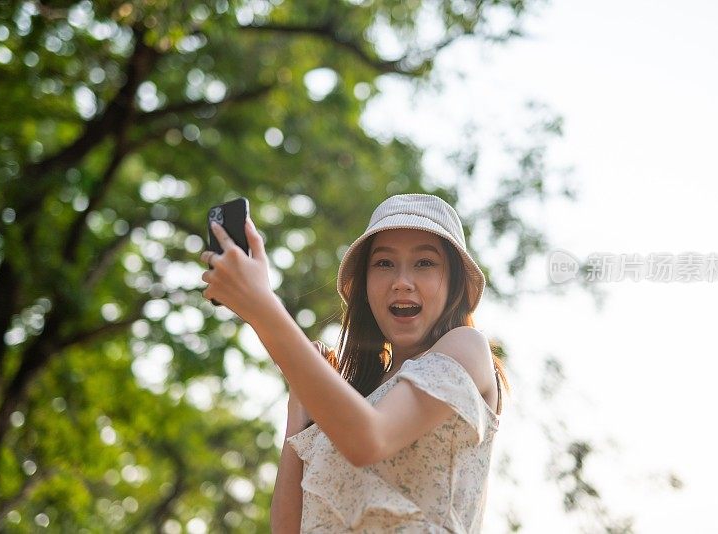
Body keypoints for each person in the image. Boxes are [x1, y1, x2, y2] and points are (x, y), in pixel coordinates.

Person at [201, 193, 507, 533]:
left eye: (424, 263)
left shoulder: (466, 347)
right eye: (384, 264)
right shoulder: (351, 408)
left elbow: (370, 439)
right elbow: (288, 529)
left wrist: (262, 306)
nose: (401, 282)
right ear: (364, 286)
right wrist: (299, 397)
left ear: (454, 284)